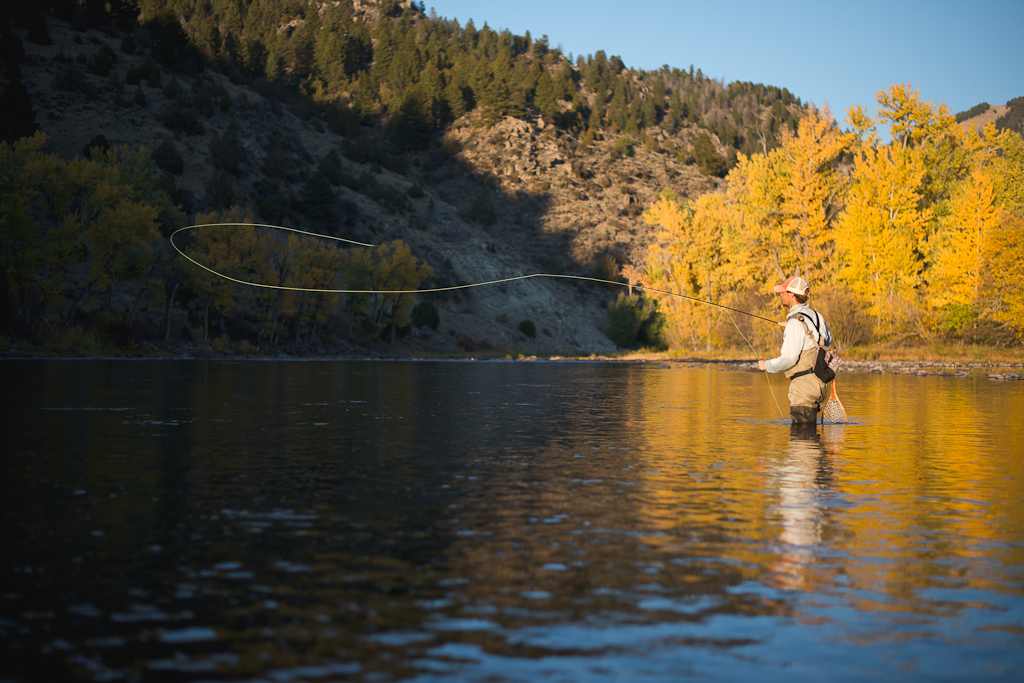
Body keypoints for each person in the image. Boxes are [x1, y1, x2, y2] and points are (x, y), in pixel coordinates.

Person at [757, 275, 833, 425]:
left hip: (803, 389)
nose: (781, 295)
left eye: (783, 292)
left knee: (802, 435)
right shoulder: (817, 316)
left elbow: (789, 359)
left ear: (792, 294)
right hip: (819, 386)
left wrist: (767, 365)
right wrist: (797, 329)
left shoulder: (795, 323)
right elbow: (826, 340)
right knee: (810, 434)